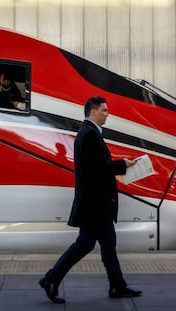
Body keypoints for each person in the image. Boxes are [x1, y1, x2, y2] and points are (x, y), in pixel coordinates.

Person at [39, 96, 142, 304]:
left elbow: (98, 165)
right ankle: (51, 278)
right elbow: (99, 169)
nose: (107, 114)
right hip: (95, 204)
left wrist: (122, 165)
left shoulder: (89, 133)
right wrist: (122, 164)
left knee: (105, 244)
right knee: (87, 244)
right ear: (93, 112)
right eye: (104, 110)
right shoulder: (89, 135)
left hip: (95, 203)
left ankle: (117, 286)